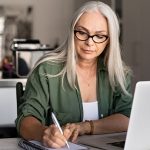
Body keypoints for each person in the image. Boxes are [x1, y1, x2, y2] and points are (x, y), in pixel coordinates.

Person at [16, 1, 133, 149]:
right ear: (72, 32)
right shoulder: (46, 70)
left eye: (99, 36)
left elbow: (127, 118)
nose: (89, 42)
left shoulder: (119, 73)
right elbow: (25, 120)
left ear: (110, 40)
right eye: (82, 33)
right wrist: (44, 133)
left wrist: (86, 127)